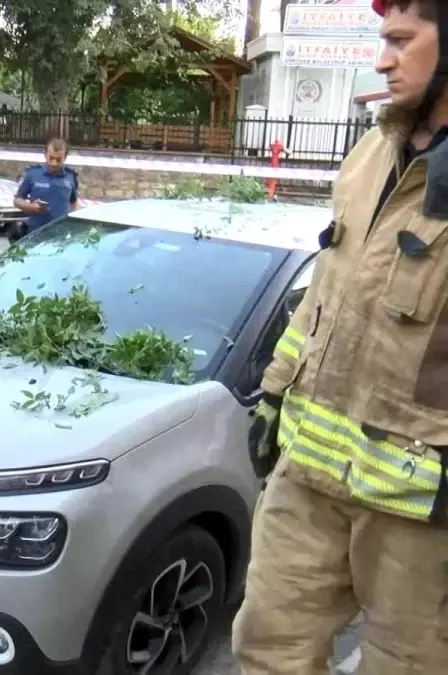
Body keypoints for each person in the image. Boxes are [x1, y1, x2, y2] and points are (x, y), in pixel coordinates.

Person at [231, 2, 448, 673]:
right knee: (268, 643)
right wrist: (272, 393)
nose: (382, 59)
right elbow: (324, 294)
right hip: (308, 476)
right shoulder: (367, 156)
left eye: (402, 41)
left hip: (419, 514)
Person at [12, 137, 79, 239]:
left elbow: (73, 202)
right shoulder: (33, 174)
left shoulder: (71, 176)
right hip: (36, 233)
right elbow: (17, 200)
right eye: (51, 158)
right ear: (45, 155)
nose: (54, 163)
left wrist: (72, 224)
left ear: (65, 158)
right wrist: (31, 207)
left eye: (58, 159)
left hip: (61, 235)